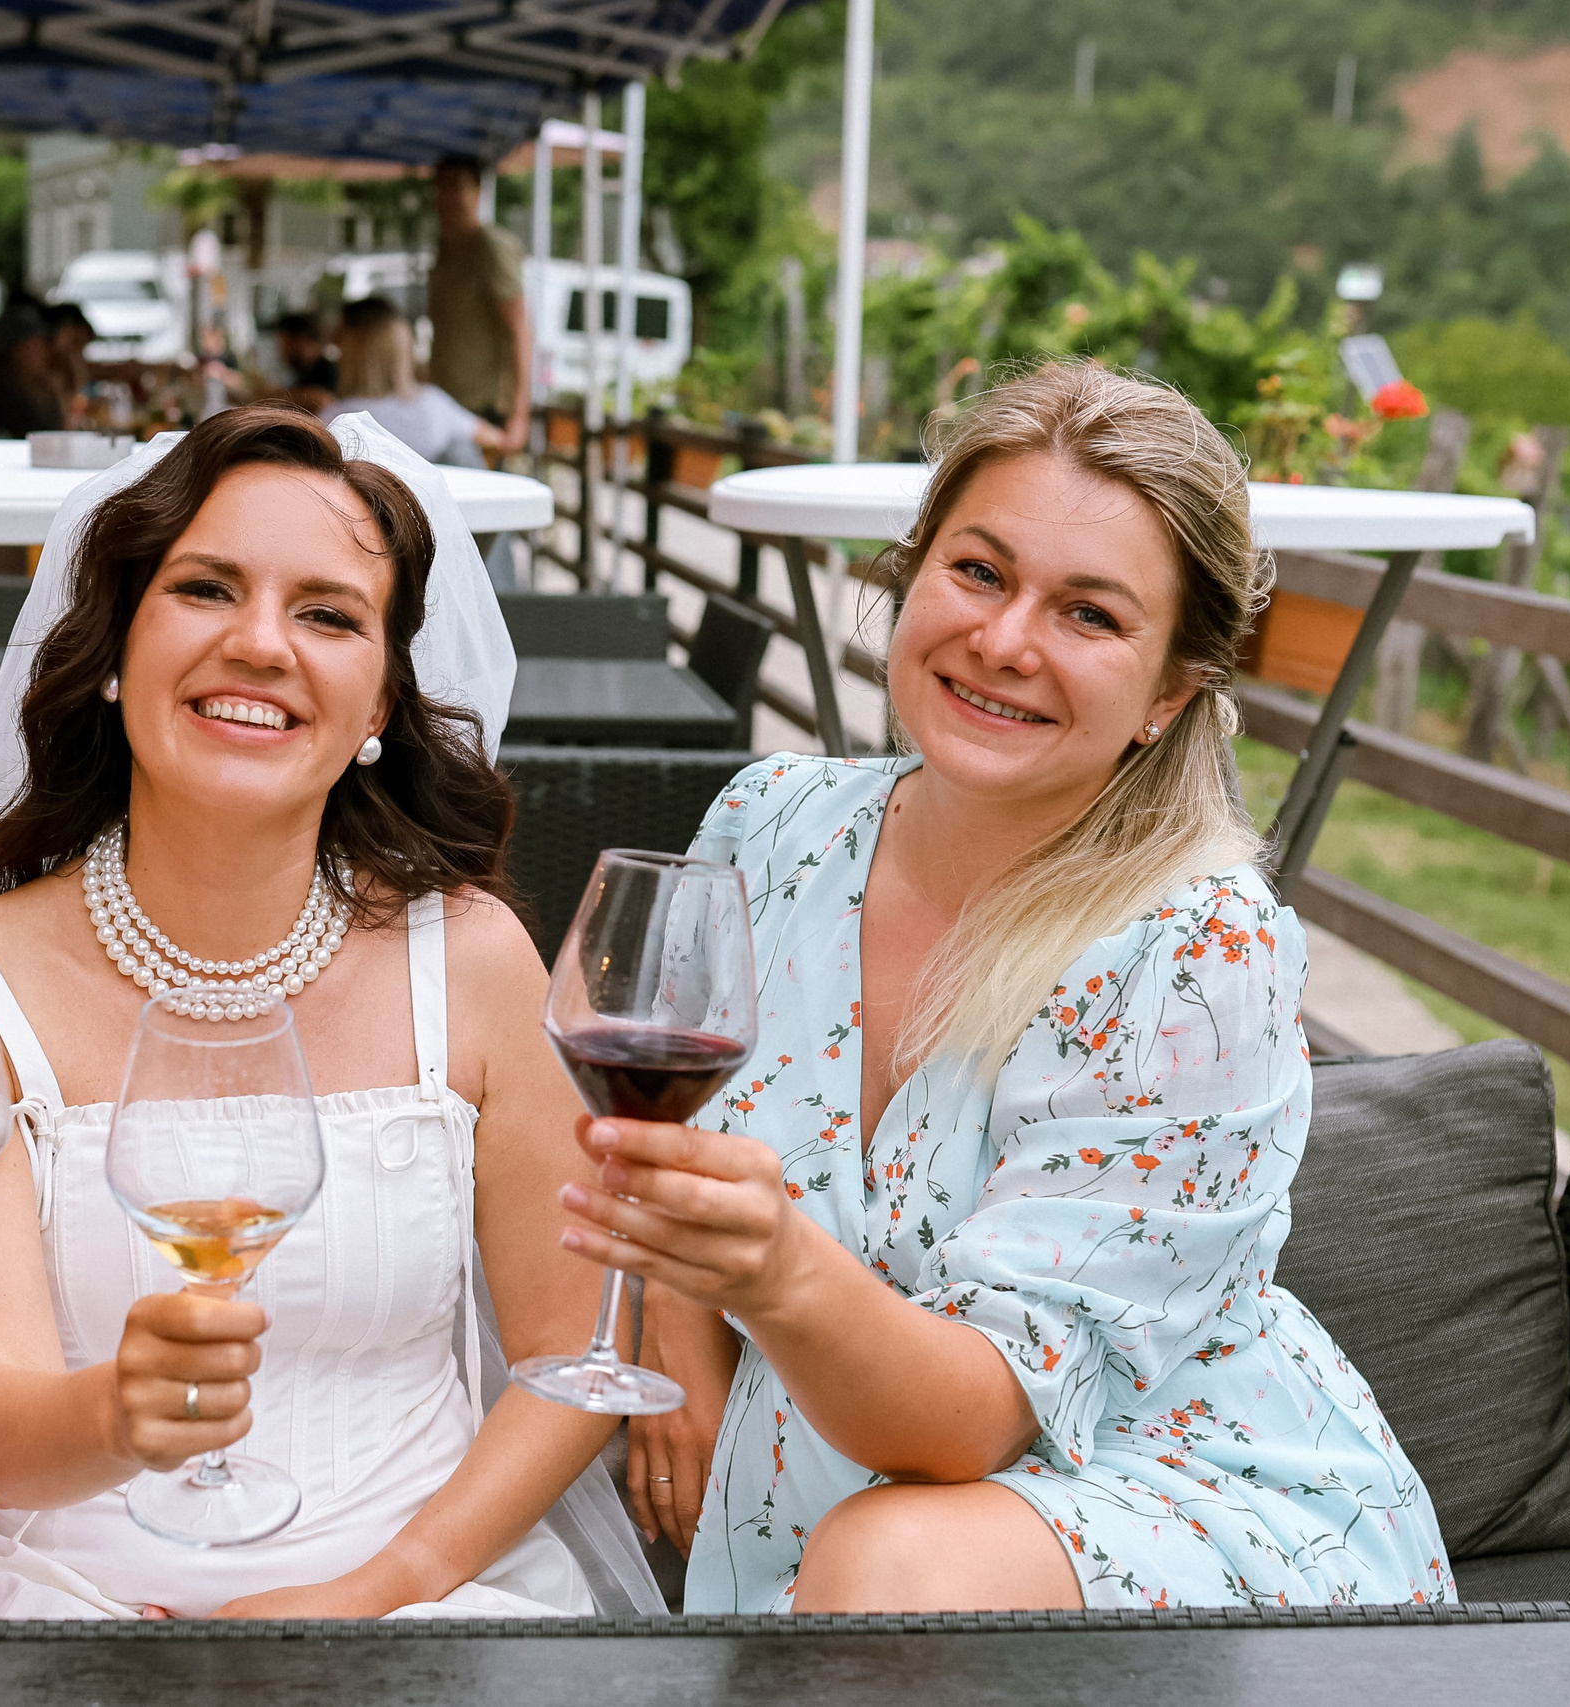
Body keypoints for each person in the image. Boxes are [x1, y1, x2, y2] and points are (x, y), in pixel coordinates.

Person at [549, 362, 1451, 1613]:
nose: (1005, 640)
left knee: (889, 1565)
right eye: (977, 571)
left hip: (1153, 1494)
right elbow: (671, 1129)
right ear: (911, 577)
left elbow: (971, 1426)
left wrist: (772, 1274)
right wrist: (680, 1350)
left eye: (1090, 615)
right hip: (831, 1486)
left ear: (1170, 691)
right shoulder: (767, 824)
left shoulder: (1195, 954)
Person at [0, 406, 661, 1621]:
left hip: (431, 1606)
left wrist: (372, 1594)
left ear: (377, 705)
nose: (261, 645)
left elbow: (568, 1365)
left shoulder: (470, 958)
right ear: (111, 651)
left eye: (326, 614)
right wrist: (117, 1412)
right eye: (206, 589)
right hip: (69, 1607)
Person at [326, 297, 507, 469]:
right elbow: (500, 441)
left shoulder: (335, 420)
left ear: (353, 350)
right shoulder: (433, 405)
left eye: (339, 339)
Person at [425, 157, 530, 450]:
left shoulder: (492, 247)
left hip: (484, 408)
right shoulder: (443, 250)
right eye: (441, 187)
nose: (447, 197)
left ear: (478, 191)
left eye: (456, 187)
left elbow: (520, 329)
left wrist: (519, 415)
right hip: (445, 402)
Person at [0, 300, 64, 439]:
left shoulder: (32, 386)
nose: (43, 353)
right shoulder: (2, 396)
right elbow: (57, 437)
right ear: (13, 353)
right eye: (34, 347)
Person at [43, 302, 96, 425]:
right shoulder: (48, 380)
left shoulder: (65, 375)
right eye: (74, 343)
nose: (77, 355)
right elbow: (70, 424)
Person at [274, 311, 338, 392]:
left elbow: (323, 399)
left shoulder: (329, 371)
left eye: (287, 344)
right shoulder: (303, 374)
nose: (283, 351)